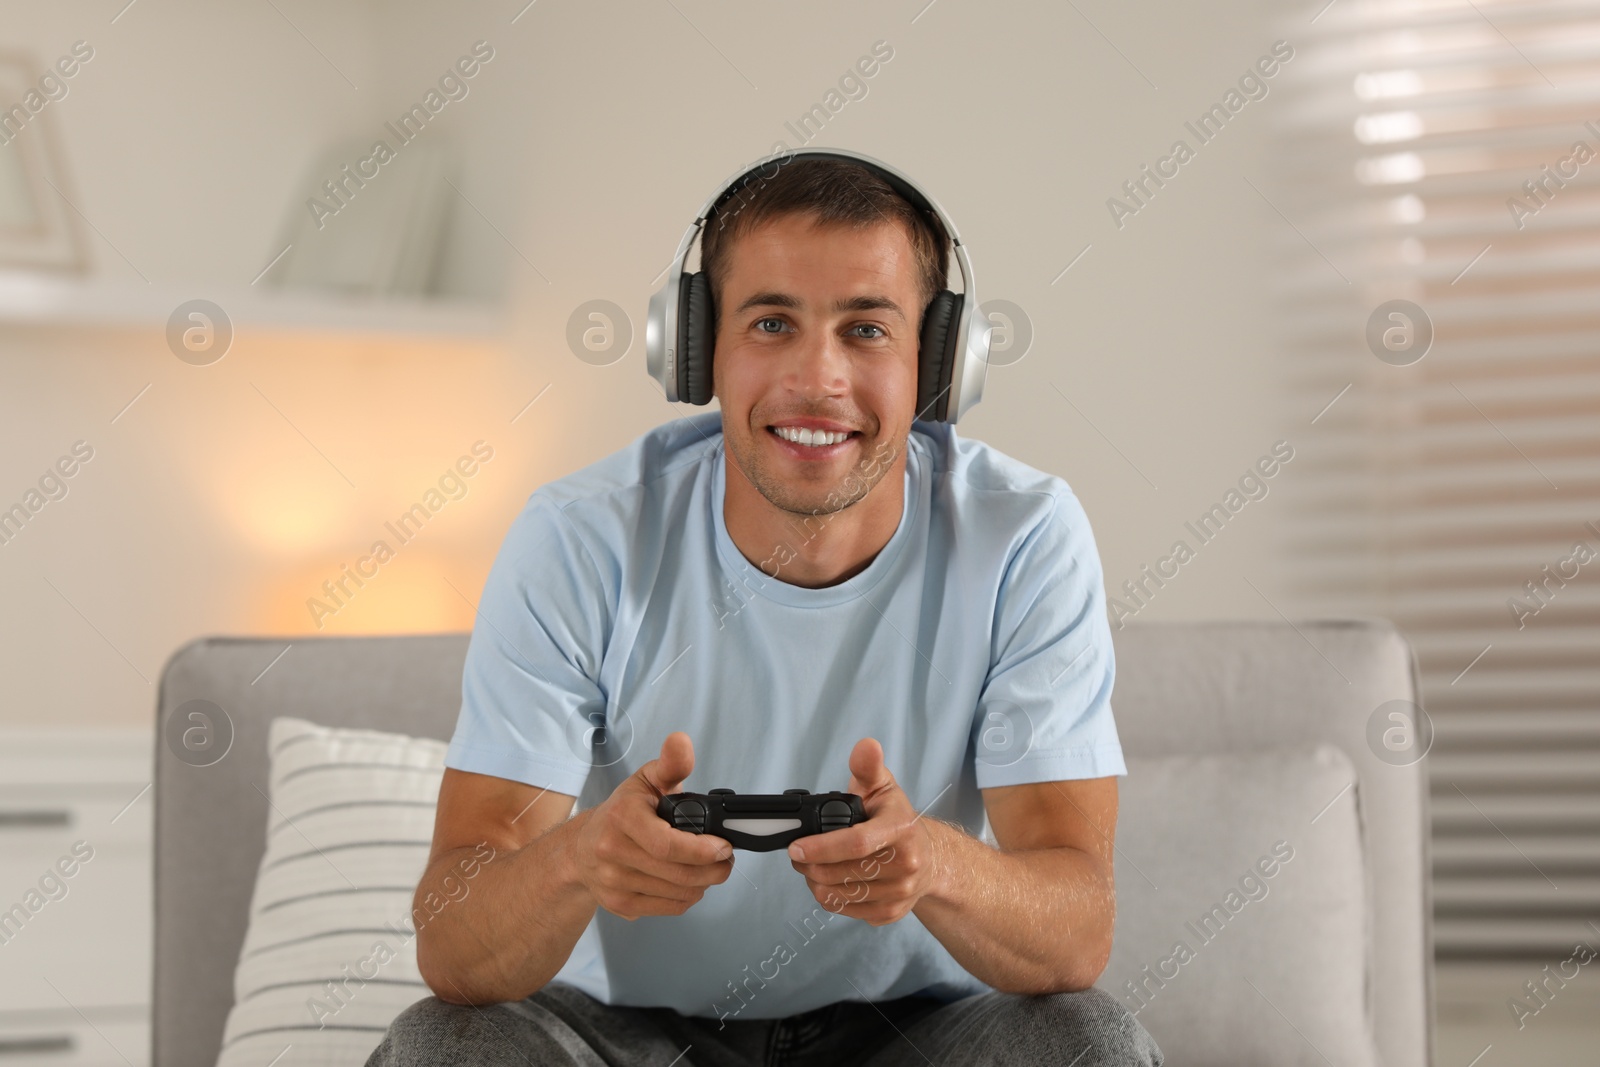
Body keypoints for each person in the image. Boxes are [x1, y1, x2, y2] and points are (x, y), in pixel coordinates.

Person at [366, 154, 1162, 1066]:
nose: (817, 378)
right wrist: (579, 857)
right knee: (446, 1045)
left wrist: (934, 864)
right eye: (772, 322)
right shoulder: (578, 540)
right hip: (625, 1035)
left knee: (1084, 1041)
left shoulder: (1024, 537)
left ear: (937, 361)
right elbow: (454, 943)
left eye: (866, 328)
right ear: (696, 346)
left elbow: (1075, 931)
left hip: (913, 1031)